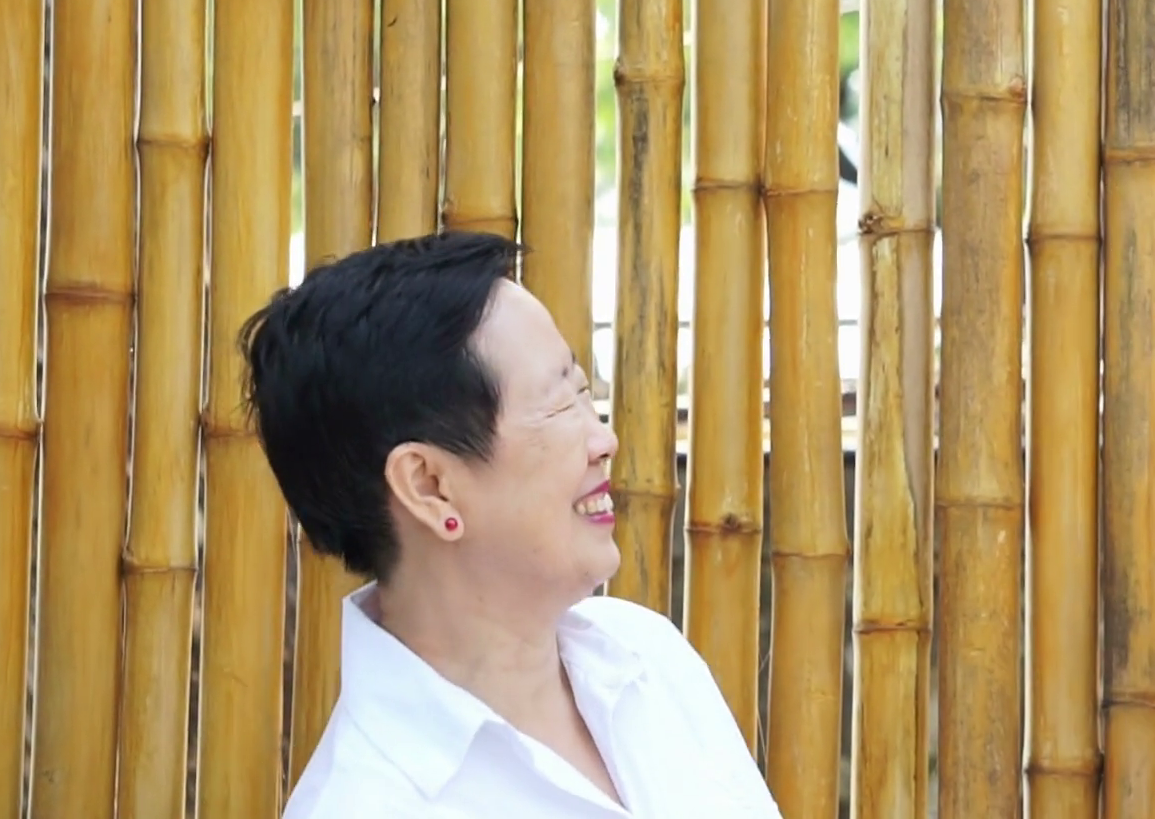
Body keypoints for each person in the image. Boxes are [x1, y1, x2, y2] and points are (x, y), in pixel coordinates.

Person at [246, 231, 782, 817]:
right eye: (559, 405)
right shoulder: (365, 803)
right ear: (429, 486)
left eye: (584, 393)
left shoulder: (647, 655)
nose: (604, 440)